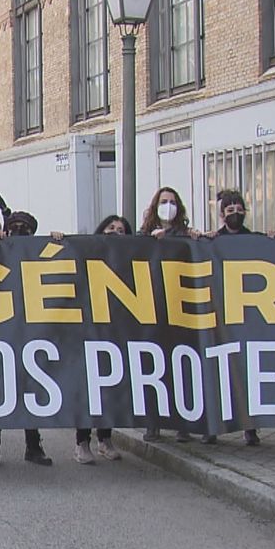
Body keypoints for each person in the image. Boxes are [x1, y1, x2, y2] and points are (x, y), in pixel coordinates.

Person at [0, 210, 53, 466]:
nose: (18, 230)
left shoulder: (37, 253)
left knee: (30, 391)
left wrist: (58, 239)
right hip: (0, 332)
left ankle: (33, 446)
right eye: (13, 225)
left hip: (29, 332)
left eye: (24, 227)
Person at [139, 186, 200, 443]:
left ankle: (182, 423)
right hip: (152, 309)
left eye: (172, 202)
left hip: (181, 309)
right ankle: (153, 423)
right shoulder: (144, 236)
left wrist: (194, 238)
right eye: (164, 201)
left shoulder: (185, 235)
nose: (168, 206)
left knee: (181, 368)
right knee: (153, 368)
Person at [74, 215, 133, 464]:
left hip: (117, 331)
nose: (115, 232)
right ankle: (82, 442)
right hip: (90, 330)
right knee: (89, 388)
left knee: (111, 386)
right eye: (110, 228)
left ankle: (105, 439)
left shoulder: (130, 259)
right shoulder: (87, 254)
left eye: (121, 230)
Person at [206, 190, 262, 446]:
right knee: (218, 371)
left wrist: (274, 239)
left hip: (248, 316)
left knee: (246, 372)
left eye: (239, 209)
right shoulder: (212, 241)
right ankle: (212, 427)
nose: (236, 214)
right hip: (219, 316)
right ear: (221, 214)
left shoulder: (254, 239)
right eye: (230, 211)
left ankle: (249, 427)